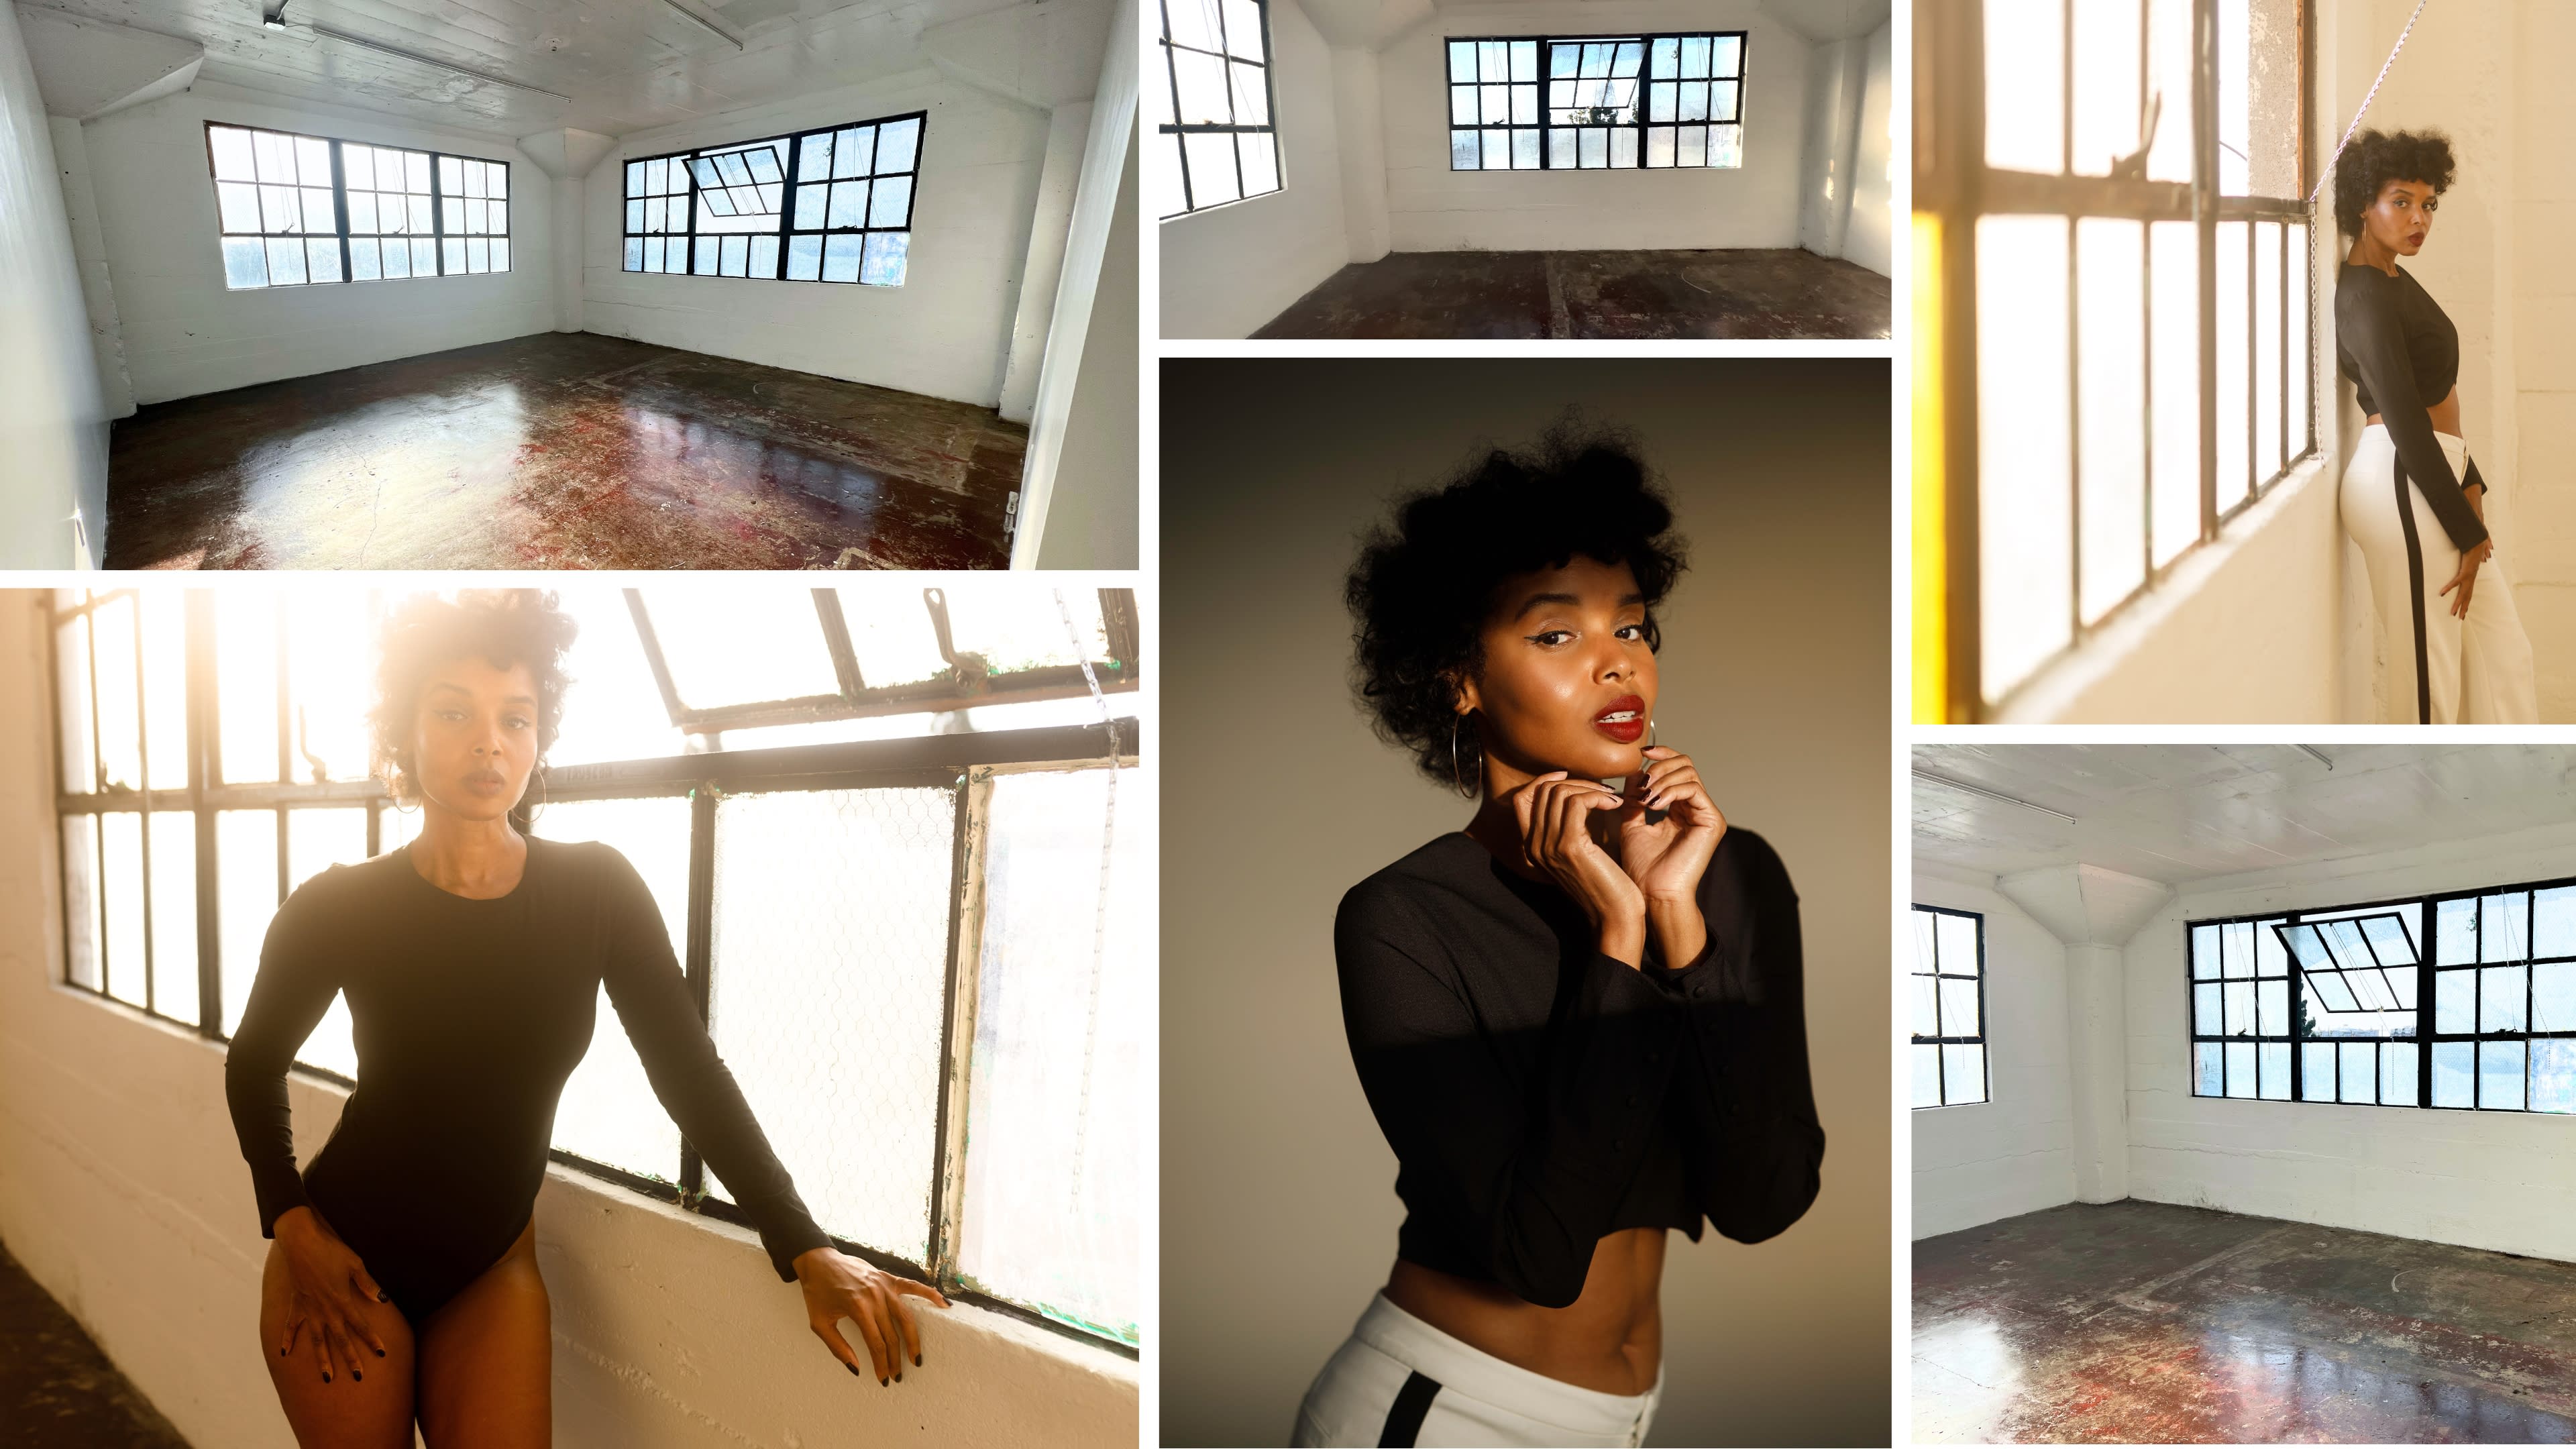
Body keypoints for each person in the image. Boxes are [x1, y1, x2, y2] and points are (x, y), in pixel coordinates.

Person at [224, 590, 948, 1448]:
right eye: (453, 713)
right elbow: (254, 1062)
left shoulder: (596, 890)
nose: (489, 742)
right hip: (339, 1256)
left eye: (515, 718)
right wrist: (293, 1225)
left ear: (539, 737)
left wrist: (803, 1244)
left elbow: (689, 1071)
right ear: (404, 730)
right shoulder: (339, 906)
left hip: (490, 1270)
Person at [1292, 429, 1826, 1448]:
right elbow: (1537, 1254)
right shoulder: (1403, 918)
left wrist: (1676, 921)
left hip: (1624, 1419)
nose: (1618, 660)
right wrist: (1616, 937)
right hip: (1444, 1410)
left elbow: (1765, 1199)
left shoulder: (1729, 872)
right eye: (1554, 634)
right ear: (1459, 678)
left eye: (1632, 625)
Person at [2334, 128, 2538, 722]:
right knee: (2432, 685)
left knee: (2505, 656)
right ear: (2363, 205)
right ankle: (2424, 780)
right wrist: (2466, 529)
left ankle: (2516, 772)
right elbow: (2404, 419)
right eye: (2401, 202)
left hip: (2434, 477)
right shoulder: (2365, 297)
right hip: (2402, 480)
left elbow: (2435, 406)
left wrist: (2470, 480)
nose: (2419, 218)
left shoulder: (2393, 276)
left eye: (2428, 204)